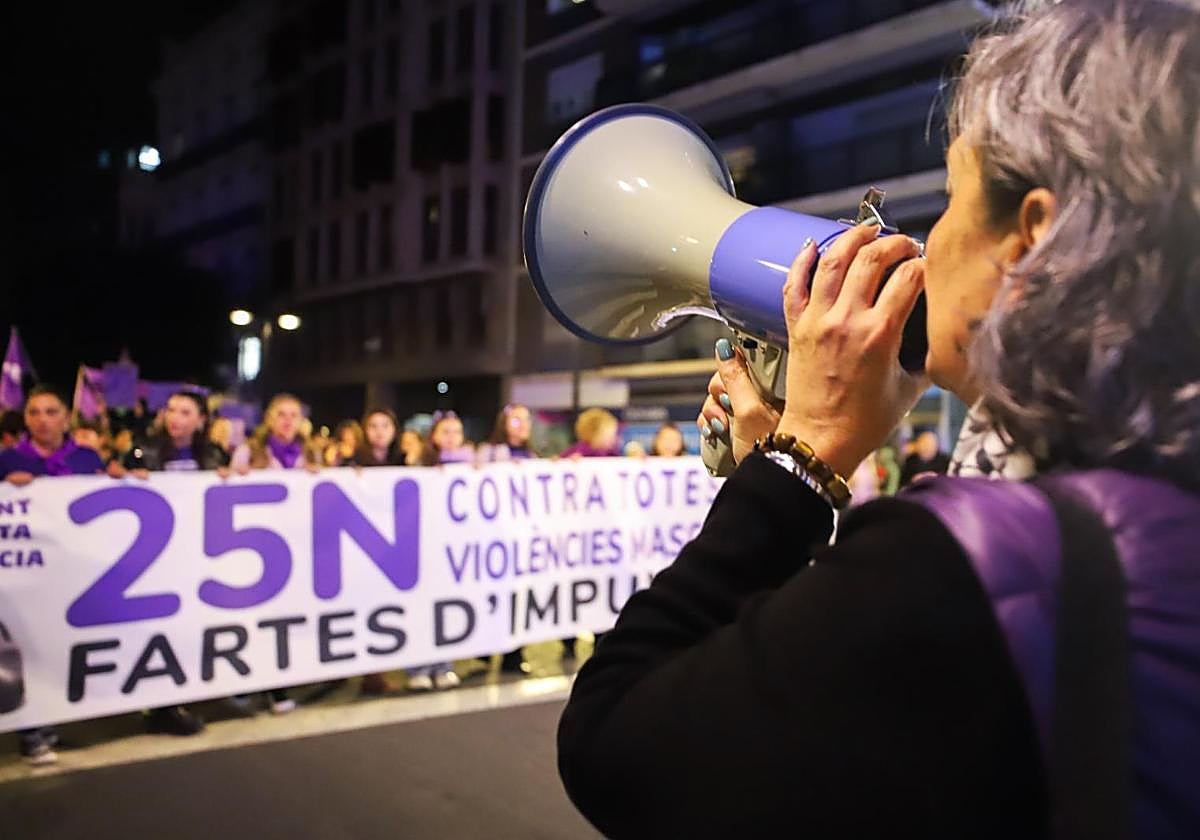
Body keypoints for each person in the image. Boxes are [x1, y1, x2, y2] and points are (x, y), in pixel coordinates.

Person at [559, 3, 1200, 837]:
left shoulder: (983, 561)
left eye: (951, 196)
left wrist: (803, 456)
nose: (926, 245)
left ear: (1034, 241)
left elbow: (615, 745)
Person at [0, 387, 108, 765]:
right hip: (29, 575)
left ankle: (55, 715)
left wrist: (123, 479)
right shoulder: (8, 459)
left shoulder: (86, 457)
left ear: (66, 417)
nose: (42, 419)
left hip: (76, 572)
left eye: (50, 411)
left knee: (63, 645)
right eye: (34, 412)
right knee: (29, 647)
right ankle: (31, 732)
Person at [229, 393, 319, 712]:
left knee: (283, 620)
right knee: (254, 617)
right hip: (254, 548)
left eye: (294, 415)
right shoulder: (249, 451)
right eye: (281, 414)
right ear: (269, 418)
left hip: (296, 546)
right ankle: (247, 678)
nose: (287, 421)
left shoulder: (310, 453)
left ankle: (277, 684)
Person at [408, 410, 469, 691]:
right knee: (422, 609)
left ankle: (444, 665)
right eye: (445, 431)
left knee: (448, 608)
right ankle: (419, 667)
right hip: (423, 549)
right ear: (433, 436)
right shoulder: (418, 464)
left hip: (454, 551)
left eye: (456, 432)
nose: (451, 437)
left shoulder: (472, 466)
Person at [125, 391, 228, 472]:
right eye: (171, 410)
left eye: (185, 413)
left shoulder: (215, 454)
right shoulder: (143, 451)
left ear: (201, 419)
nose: (174, 418)